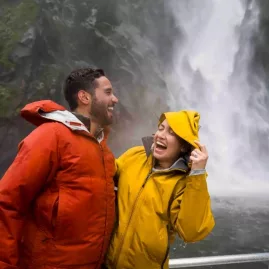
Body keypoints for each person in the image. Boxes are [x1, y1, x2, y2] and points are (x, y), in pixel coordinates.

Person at [0, 68, 118, 269]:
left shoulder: (104, 151)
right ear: (84, 97)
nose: (115, 99)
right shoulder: (51, 136)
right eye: (107, 92)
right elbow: (8, 202)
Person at [105, 110, 215, 269]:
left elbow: (192, 232)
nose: (160, 135)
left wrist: (197, 173)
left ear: (184, 145)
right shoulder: (135, 155)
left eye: (171, 132)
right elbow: (104, 174)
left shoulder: (184, 183)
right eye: (160, 128)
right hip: (105, 263)